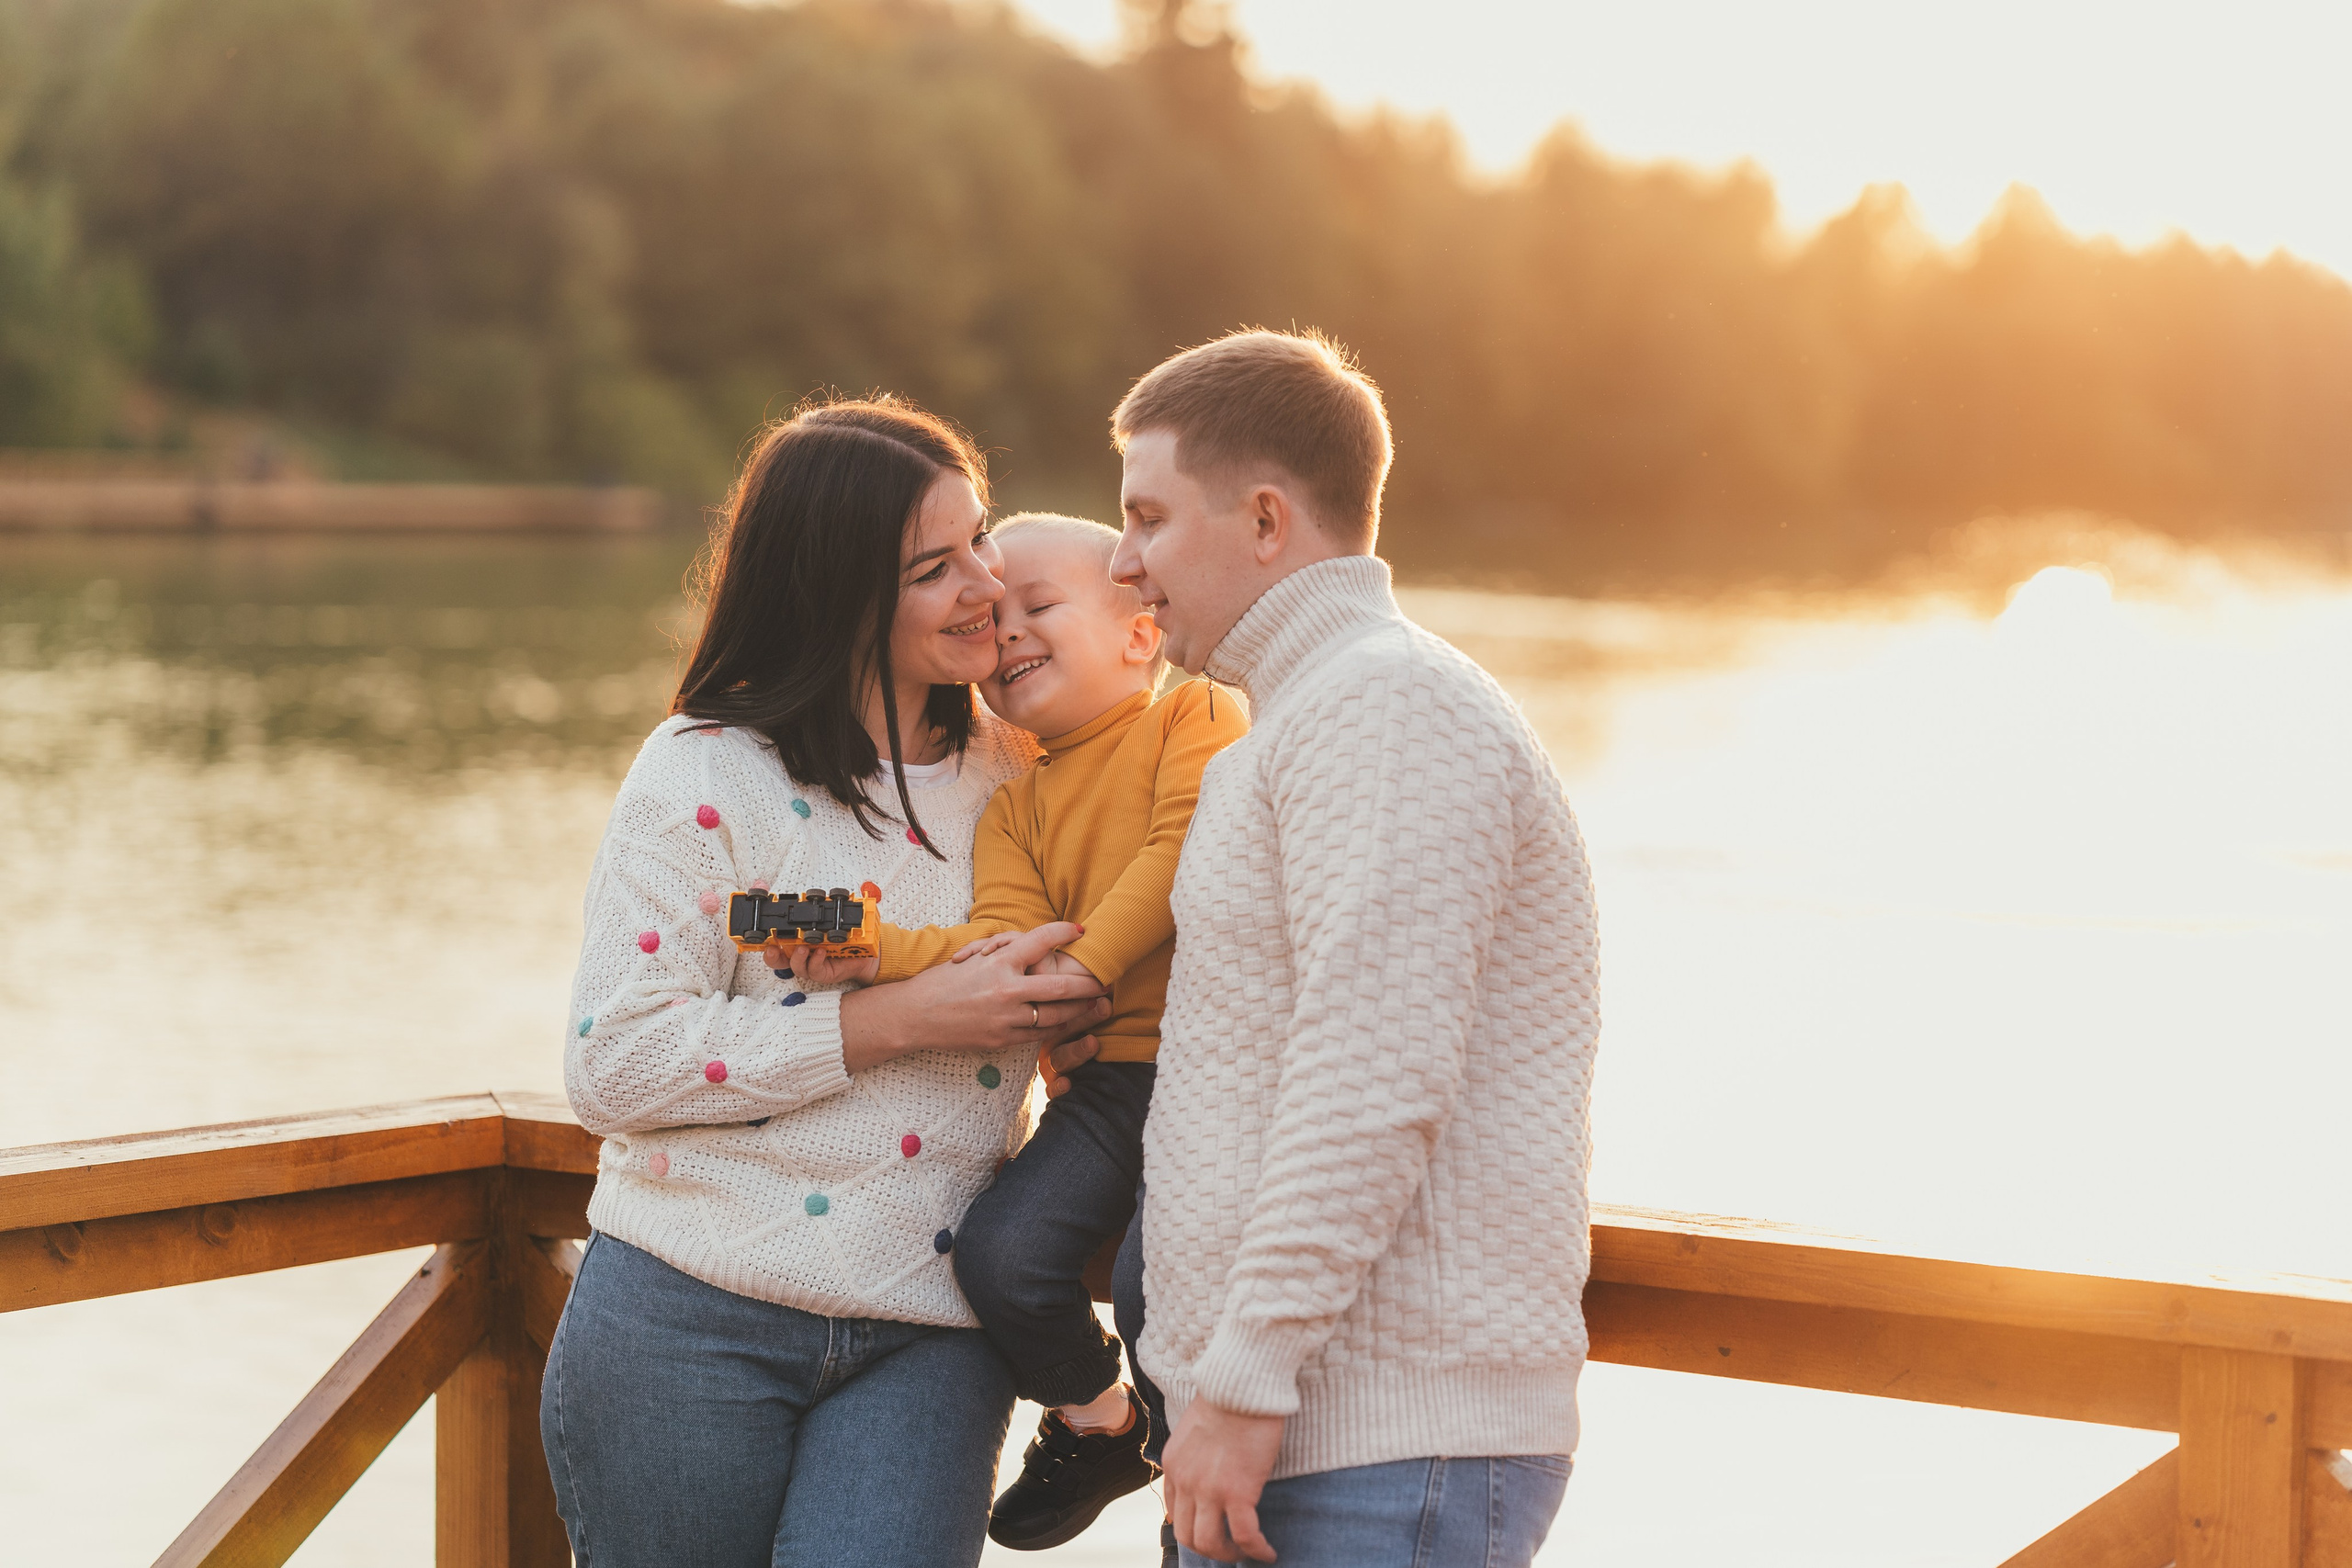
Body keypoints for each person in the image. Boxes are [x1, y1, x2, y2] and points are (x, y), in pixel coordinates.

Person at [541, 398, 1115, 1568]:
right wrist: (897, 1020)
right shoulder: (704, 770)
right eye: (932, 570)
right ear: (836, 591)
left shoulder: (1032, 772)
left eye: (980, 543)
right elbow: (614, 1061)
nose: (985, 588)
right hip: (682, 1316)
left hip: (931, 1329)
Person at [1106, 331, 1601, 1568]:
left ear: (1266, 518)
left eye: (1150, 518)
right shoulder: (1295, 720)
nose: (1124, 563)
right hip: (1277, 1436)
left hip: (1373, 1448)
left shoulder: (1386, 700)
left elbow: (1372, 1072)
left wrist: (1244, 1377)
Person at [799, 512, 1249, 1551]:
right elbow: (1003, 946)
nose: (1005, 636)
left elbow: (1185, 854)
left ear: (1141, 632)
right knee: (998, 1252)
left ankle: (1209, 1494)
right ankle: (1101, 1423)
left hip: (1221, 1078)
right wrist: (880, 951)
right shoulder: (1016, 806)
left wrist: (1085, 970)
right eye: (992, 623)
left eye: (1036, 608)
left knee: (1152, 1282)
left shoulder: (1198, 714)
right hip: (1108, 1092)